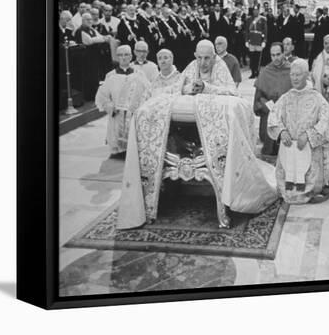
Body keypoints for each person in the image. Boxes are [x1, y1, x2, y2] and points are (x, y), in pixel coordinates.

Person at [117, 39, 278, 229]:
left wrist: (207, 88)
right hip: (187, 120)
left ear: (214, 56)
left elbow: (231, 91)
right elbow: (177, 87)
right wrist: (188, 89)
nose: (203, 63)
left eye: (207, 58)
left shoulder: (220, 67)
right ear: (195, 56)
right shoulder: (192, 66)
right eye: (200, 58)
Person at [268, 59, 329, 204]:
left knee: (307, 175)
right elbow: (273, 116)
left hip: (309, 150)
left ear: (306, 75)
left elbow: (328, 119)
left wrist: (309, 135)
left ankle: (310, 190)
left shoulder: (316, 97)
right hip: (288, 149)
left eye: (298, 75)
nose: (294, 78)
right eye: (292, 74)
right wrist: (281, 132)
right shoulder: (286, 97)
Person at [95, 45, 150, 157]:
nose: (123, 58)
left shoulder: (139, 74)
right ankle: (118, 151)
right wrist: (110, 107)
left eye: (126, 55)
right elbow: (103, 96)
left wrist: (139, 106)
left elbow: (148, 92)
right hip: (117, 114)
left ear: (131, 56)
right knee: (117, 141)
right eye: (120, 55)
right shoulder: (111, 75)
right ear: (117, 57)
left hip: (133, 113)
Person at [253, 42, 292, 155]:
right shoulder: (266, 71)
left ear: (283, 53)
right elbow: (258, 98)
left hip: (287, 111)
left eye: (278, 54)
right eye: (273, 55)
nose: (275, 58)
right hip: (269, 111)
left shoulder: (291, 70)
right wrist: (270, 106)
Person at [74, 13, 110, 100]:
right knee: (88, 76)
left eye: (91, 19)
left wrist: (100, 39)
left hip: (94, 57)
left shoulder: (92, 29)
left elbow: (101, 36)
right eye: (88, 19)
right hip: (85, 58)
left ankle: (95, 94)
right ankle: (89, 96)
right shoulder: (80, 30)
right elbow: (89, 41)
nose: (90, 21)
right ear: (83, 20)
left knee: (95, 76)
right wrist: (100, 39)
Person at [246, 6, 267, 78]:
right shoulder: (249, 19)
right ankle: (252, 72)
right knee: (252, 57)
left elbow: (265, 30)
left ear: (259, 11)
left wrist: (264, 40)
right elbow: (246, 31)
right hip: (251, 40)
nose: (255, 12)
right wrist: (246, 40)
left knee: (258, 57)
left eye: (257, 10)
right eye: (254, 10)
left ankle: (257, 72)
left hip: (259, 40)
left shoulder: (262, 19)